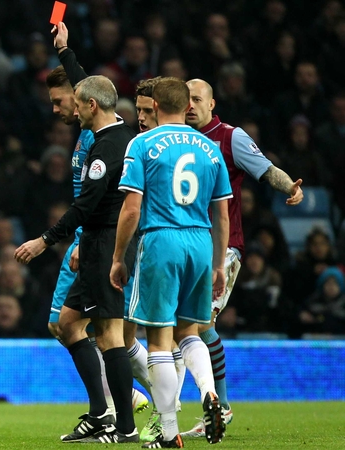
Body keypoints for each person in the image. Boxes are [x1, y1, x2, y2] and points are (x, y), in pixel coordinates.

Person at [15, 75, 139, 443]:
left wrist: (44, 241)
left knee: (110, 335)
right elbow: (89, 83)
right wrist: (64, 50)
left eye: (75, 103)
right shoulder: (118, 132)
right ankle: (101, 414)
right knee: (67, 324)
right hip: (97, 243)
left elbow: (85, 206)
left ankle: (126, 427)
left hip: (104, 243)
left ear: (91, 105)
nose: (70, 109)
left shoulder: (105, 149)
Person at [111, 77, 233, 448]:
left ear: (155, 105)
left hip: (161, 239)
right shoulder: (210, 148)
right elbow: (222, 214)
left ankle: (167, 431)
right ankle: (210, 392)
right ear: (187, 106)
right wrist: (218, 264)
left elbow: (132, 209)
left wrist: (118, 257)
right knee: (190, 332)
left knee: (159, 341)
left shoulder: (142, 143)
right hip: (201, 241)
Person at [179, 78, 304, 438]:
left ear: (212, 104)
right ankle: (203, 405)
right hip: (183, 246)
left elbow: (265, 168)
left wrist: (290, 187)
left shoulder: (230, 137)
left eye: (197, 99)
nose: (190, 105)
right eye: (185, 99)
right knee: (187, 328)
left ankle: (220, 405)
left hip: (223, 247)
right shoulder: (175, 137)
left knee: (200, 324)